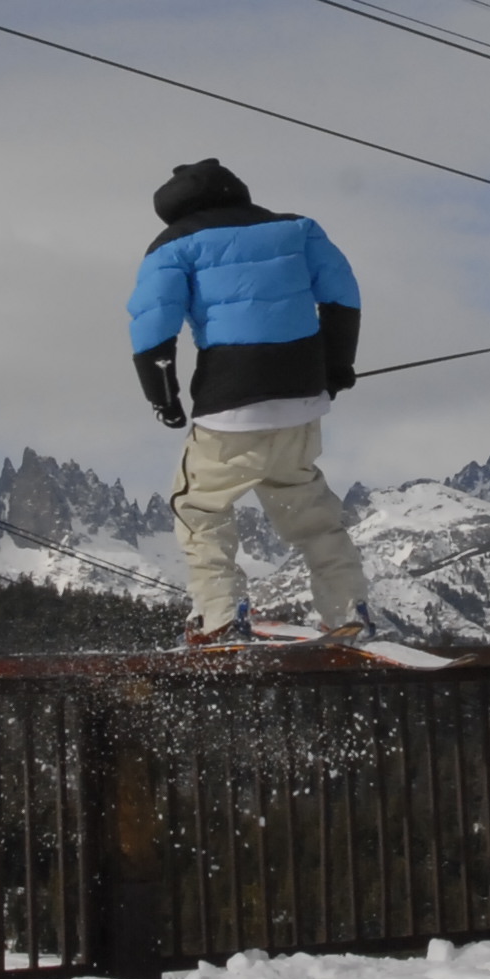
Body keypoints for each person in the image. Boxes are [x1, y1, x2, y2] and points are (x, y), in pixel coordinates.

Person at [127, 158, 371, 645]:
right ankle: (348, 610)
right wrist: (336, 367)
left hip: (229, 402)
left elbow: (154, 325)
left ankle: (219, 618)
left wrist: (164, 397)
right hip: (301, 399)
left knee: (200, 507)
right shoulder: (298, 229)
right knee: (310, 511)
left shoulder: (172, 245)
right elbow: (342, 296)